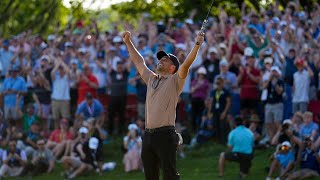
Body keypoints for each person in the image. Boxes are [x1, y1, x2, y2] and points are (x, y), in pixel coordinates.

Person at [122, 30, 204, 180]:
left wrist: (197, 44)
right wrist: (128, 42)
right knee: (150, 177)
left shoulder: (175, 80)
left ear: (172, 68)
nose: (161, 60)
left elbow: (185, 65)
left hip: (166, 135)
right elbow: (139, 62)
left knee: (170, 176)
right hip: (148, 135)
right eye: (161, 58)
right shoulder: (152, 79)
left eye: (165, 60)